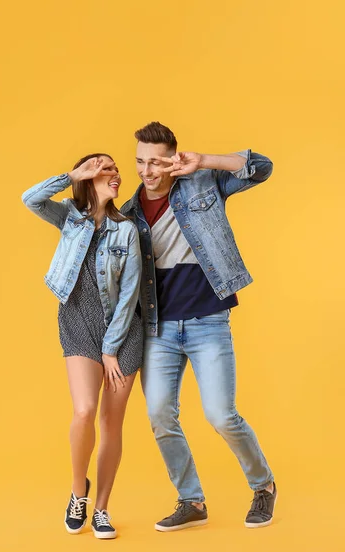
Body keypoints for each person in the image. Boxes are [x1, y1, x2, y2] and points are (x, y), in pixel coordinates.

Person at [120, 122, 276, 531]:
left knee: (221, 415)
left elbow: (261, 167)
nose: (147, 170)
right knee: (159, 415)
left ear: (172, 158)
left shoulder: (202, 183)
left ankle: (263, 486)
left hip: (208, 319)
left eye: (155, 161)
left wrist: (204, 160)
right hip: (159, 328)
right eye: (140, 161)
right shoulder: (128, 214)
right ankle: (192, 501)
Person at [22, 154, 143, 539]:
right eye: (101, 166)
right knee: (84, 411)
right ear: (87, 177)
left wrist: (111, 348)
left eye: (114, 167)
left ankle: (103, 509)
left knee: (110, 423)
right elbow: (31, 199)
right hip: (76, 322)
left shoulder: (128, 231)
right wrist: (71, 176)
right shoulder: (69, 217)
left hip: (122, 334)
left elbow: (129, 296)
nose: (113, 171)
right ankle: (79, 492)